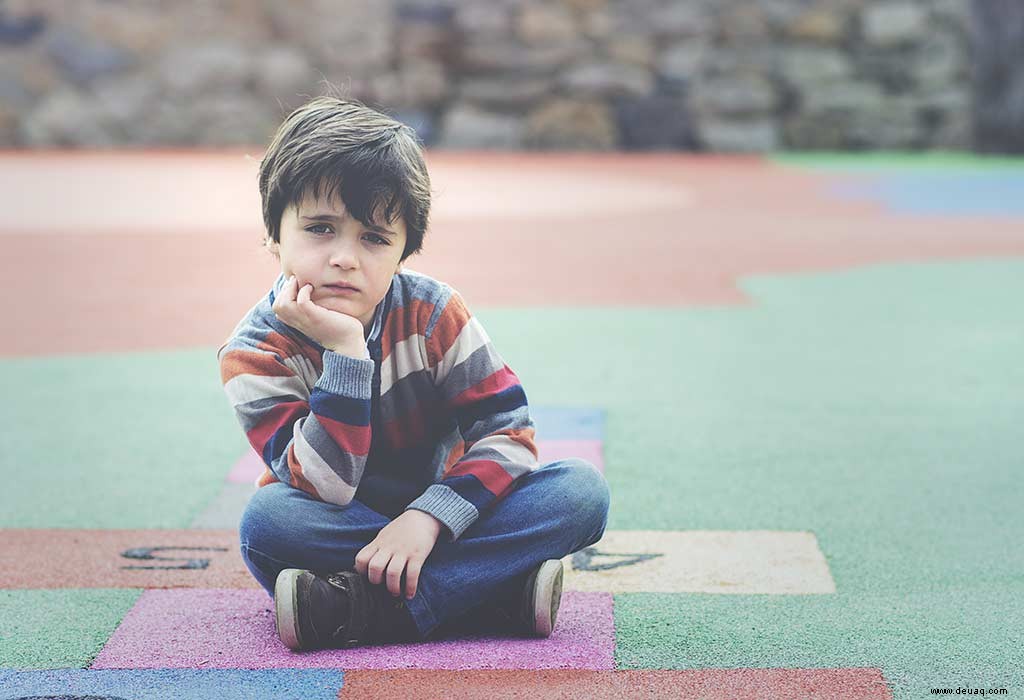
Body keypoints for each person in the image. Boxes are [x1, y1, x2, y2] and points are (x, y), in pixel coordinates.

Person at [217, 94, 610, 651]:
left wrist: (427, 520)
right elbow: (323, 488)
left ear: (404, 252)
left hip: (451, 512)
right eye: (321, 229)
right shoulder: (256, 353)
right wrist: (349, 357)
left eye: (375, 238)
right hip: (338, 525)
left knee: (579, 494)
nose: (345, 258)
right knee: (268, 525)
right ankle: (492, 592)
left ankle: (365, 610)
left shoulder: (433, 313)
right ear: (274, 232)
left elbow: (511, 437)